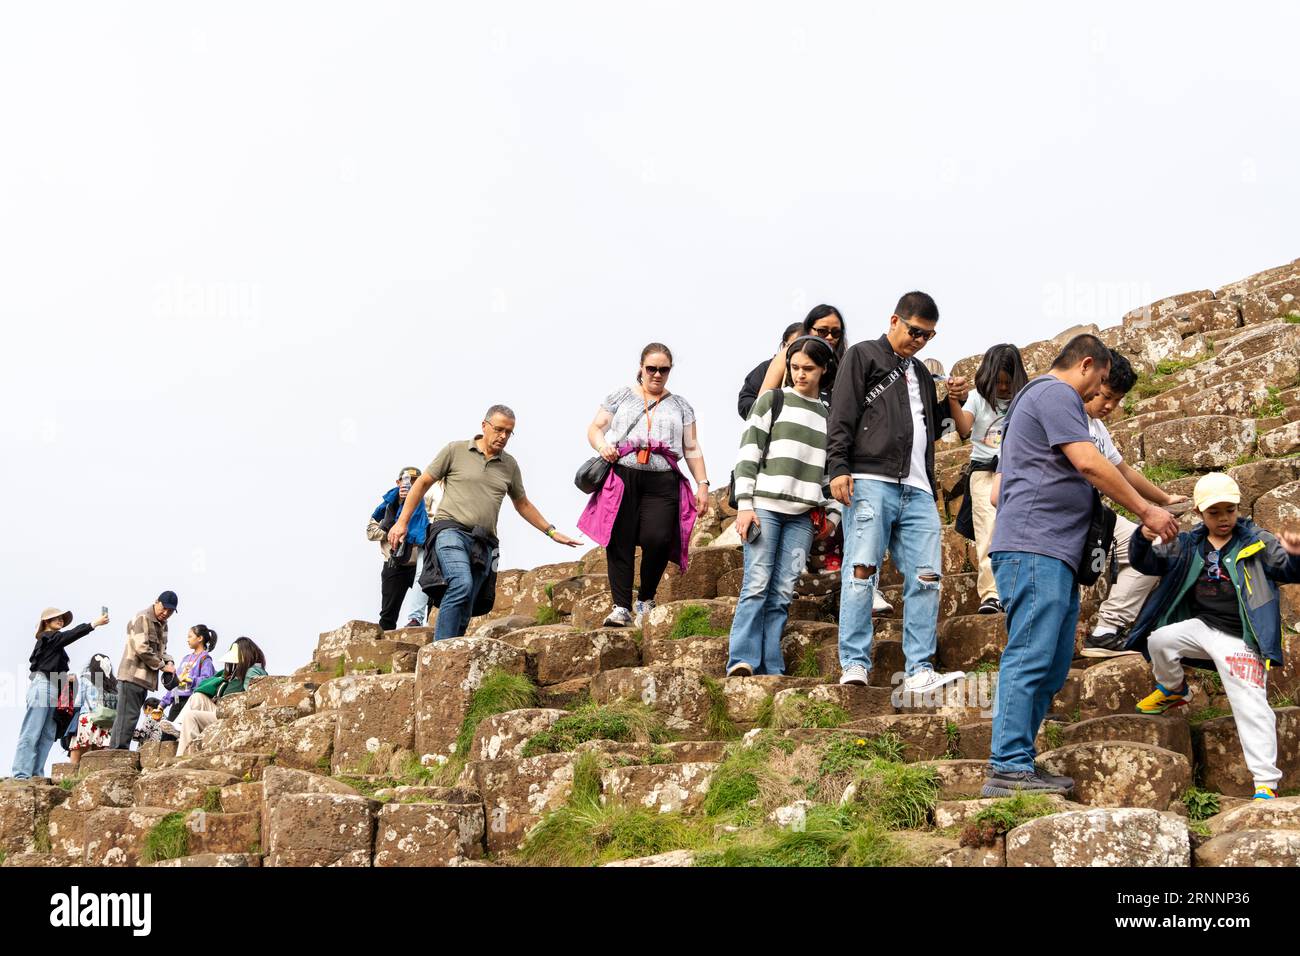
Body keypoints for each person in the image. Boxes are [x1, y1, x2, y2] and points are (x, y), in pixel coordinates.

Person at [981, 334, 1179, 797]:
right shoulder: (1054, 393)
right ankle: (1007, 765)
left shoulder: (1052, 399)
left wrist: (1161, 501)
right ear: (1087, 365)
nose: (1100, 391)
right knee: (1031, 654)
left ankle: (1020, 761)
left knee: (1050, 665)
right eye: (1104, 380)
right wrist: (1147, 512)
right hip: (1035, 547)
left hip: (1056, 552)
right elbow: (1090, 464)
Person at [826, 292, 971, 695]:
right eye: (915, 332)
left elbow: (931, 425)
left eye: (929, 336)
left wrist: (951, 400)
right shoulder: (862, 356)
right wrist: (837, 467)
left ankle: (919, 668)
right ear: (894, 320)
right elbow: (842, 414)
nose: (920, 341)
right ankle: (854, 662)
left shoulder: (922, 373)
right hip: (871, 478)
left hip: (919, 486)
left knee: (928, 575)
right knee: (861, 571)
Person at [1128, 473, 1300, 801]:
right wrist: (1142, 536)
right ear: (1199, 512)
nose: (1223, 519)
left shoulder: (1257, 541)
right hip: (1202, 626)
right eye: (1214, 512)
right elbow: (1148, 562)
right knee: (1159, 639)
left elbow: (1288, 570)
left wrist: (1295, 554)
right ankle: (1174, 689)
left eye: (1230, 511)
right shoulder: (1189, 543)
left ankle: (1266, 784)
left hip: (1240, 638)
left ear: (1239, 508)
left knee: (1251, 705)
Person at [387, 406, 580, 640]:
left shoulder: (509, 465)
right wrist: (402, 522)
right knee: (461, 583)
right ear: (484, 426)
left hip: (484, 541)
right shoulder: (455, 450)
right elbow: (423, 483)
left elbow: (523, 504)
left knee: (469, 602)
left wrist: (551, 531)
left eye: (509, 432)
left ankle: (451, 652)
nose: (503, 436)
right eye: (498, 429)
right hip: (450, 530)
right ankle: (441, 651)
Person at [726, 336, 840, 676]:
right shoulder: (772, 401)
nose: (800, 374)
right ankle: (742, 658)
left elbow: (832, 471)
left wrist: (833, 513)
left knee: (783, 590)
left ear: (823, 370)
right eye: (795, 367)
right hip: (764, 508)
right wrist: (745, 504)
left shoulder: (829, 416)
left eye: (808, 368)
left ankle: (770, 663)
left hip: (803, 517)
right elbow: (748, 454)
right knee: (757, 584)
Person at [580, 344, 711, 627]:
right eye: (651, 368)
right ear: (641, 367)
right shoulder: (622, 395)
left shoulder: (681, 405)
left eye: (663, 369)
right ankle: (621, 607)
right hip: (623, 473)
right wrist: (603, 446)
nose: (657, 374)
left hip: (662, 478)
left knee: (659, 538)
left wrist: (702, 484)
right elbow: (595, 428)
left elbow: (691, 447)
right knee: (620, 539)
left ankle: (647, 598)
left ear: (670, 371)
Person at [1078, 350, 1190, 656]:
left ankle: (1106, 630)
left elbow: (1123, 470)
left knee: (1156, 547)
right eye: (1107, 395)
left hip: (1097, 518)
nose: (1111, 406)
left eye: (1117, 400)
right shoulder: (1069, 415)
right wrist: (1144, 509)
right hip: (1068, 518)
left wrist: (1164, 499)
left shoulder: (1098, 429)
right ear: (1092, 378)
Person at [951, 343, 1028, 614]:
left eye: (1008, 383)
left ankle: (1017, 588)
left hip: (1018, 473)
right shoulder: (976, 398)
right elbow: (963, 427)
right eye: (998, 382)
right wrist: (953, 400)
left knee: (1021, 532)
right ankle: (992, 593)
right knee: (988, 532)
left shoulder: (1025, 399)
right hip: (984, 472)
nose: (1004, 388)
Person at [12, 605, 110, 779]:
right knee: (32, 731)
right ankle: (21, 774)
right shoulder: (48, 638)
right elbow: (70, 635)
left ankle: (36, 774)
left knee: (48, 734)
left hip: (55, 688)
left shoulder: (55, 644)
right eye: (56, 617)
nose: (60, 620)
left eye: (62, 618)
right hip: (43, 687)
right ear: (46, 622)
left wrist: (66, 679)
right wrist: (94, 623)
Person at [173, 638, 269, 756]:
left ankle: (183, 756)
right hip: (224, 711)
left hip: (233, 716)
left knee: (190, 716)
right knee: (197, 696)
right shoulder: (239, 672)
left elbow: (252, 696)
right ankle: (179, 726)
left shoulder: (252, 671)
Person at [109, 591, 177, 750]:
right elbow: (141, 648)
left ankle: (117, 753)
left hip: (144, 680)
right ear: (156, 602)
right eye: (164, 608)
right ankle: (118, 754)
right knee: (127, 717)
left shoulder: (164, 625)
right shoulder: (142, 618)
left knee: (129, 717)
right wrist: (162, 665)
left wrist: (170, 662)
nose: (166, 613)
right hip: (131, 676)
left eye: (170, 611)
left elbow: (162, 651)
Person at [367, 466, 429, 630]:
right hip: (394, 563)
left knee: (433, 607)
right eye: (408, 481)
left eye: (416, 482)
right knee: (388, 614)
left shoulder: (427, 502)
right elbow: (370, 532)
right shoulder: (388, 505)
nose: (412, 485)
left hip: (420, 563)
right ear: (398, 482)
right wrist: (392, 532)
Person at [738, 322, 804, 419]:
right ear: (783, 346)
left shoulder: (816, 371)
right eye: (793, 346)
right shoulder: (767, 367)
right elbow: (745, 402)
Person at [67, 654, 118, 769]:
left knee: (77, 752)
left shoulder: (85, 678)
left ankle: (70, 778)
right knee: (98, 755)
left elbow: (78, 702)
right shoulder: (113, 682)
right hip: (106, 720)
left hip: (88, 719)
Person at [159, 625, 218, 724]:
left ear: (200, 638)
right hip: (176, 701)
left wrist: (190, 679)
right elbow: (176, 682)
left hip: (191, 702)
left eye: (190, 636)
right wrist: (162, 704)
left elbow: (207, 681)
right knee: (167, 735)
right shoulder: (186, 658)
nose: (187, 640)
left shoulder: (205, 659)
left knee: (182, 733)